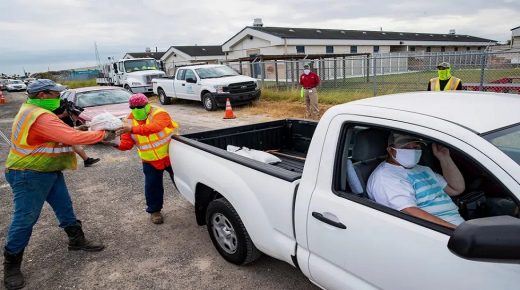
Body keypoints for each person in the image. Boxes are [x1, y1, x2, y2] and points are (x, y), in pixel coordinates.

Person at [3, 79, 115, 290]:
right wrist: (102, 134)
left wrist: (82, 128)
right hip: (29, 173)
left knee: (65, 207)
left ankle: (76, 240)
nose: (59, 98)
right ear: (43, 95)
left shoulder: (32, 110)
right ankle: (11, 265)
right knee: (25, 219)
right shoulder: (39, 115)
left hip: (47, 170)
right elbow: (68, 135)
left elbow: (54, 136)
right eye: (55, 94)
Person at [366, 132, 466, 229]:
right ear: (391, 150)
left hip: (458, 226)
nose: (412, 151)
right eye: (405, 147)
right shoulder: (386, 177)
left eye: (416, 147)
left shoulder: (423, 169)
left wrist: (444, 157)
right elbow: (409, 211)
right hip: (439, 232)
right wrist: (454, 230)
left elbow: (456, 189)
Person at [115, 93, 178, 224]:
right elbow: (126, 145)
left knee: (182, 180)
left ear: (147, 104)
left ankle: (194, 200)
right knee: (152, 187)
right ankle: (154, 211)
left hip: (172, 155)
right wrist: (112, 142)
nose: (136, 110)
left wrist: (132, 129)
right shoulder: (128, 122)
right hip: (150, 160)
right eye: (133, 108)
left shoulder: (159, 113)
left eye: (140, 107)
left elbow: (155, 127)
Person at [53, 99, 101, 167]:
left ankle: (86, 160)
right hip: (59, 130)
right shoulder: (50, 107)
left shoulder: (63, 104)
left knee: (74, 145)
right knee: (72, 145)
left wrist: (78, 127)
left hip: (65, 129)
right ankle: (86, 160)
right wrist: (63, 115)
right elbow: (51, 119)